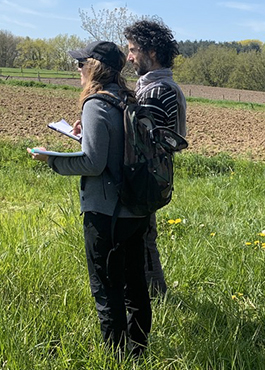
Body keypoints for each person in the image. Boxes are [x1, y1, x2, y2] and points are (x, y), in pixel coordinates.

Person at [28, 41, 152, 357]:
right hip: (136, 208)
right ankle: (138, 354)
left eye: (80, 64)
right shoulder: (128, 99)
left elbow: (94, 163)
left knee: (106, 288)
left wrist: (51, 160)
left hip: (106, 212)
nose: (77, 70)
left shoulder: (96, 104)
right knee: (135, 286)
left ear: (93, 67)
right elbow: (116, 148)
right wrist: (86, 137)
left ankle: (117, 359)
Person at [123, 19, 187, 297]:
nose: (129, 56)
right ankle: (154, 294)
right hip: (150, 176)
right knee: (145, 236)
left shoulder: (158, 91)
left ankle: (154, 296)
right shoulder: (155, 87)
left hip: (145, 177)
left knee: (142, 237)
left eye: (133, 49)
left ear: (151, 52)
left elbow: (145, 145)